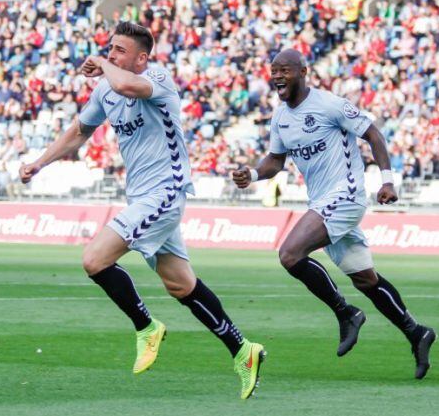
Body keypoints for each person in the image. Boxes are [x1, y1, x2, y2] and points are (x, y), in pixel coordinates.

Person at [19, 22, 265, 399]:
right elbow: (80, 131)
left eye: (119, 50)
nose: (112, 54)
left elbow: (125, 84)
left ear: (142, 58)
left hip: (166, 192)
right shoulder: (106, 89)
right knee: (181, 284)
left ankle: (146, 327)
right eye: (110, 48)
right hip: (142, 198)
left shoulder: (157, 78)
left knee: (94, 260)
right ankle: (243, 350)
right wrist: (40, 162)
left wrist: (103, 64)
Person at [232, 49, 436, 380]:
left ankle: (346, 313)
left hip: (346, 195)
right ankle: (417, 332)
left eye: (284, 70)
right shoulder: (281, 117)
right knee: (366, 279)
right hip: (323, 201)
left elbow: (373, 134)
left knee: (289, 254)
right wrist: (252, 175)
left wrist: (387, 180)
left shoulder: (330, 105)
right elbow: (275, 160)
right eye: (274, 71)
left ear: (303, 71)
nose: (278, 76)